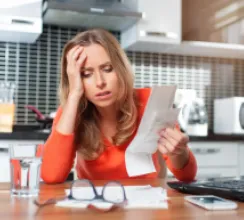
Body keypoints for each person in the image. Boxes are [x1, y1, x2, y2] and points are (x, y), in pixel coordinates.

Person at [40, 28, 197, 184]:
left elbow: (187, 176)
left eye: (107, 69)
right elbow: (51, 176)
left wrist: (179, 152)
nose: (100, 82)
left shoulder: (149, 101)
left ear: (121, 68)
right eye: (86, 74)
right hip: (94, 203)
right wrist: (74, 94)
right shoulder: (71, 112)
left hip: (146, 205)